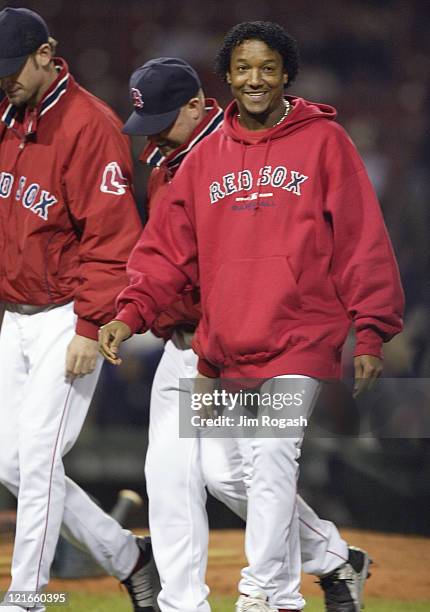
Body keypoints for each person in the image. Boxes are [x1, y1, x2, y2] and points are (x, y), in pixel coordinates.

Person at [100, 21, 404, 612]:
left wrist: (371, 329)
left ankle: (268, 597)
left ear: (287, 72)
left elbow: (363, 237)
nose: (255, 78)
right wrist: (131, 311)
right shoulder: (206, 156)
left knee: (270, 452)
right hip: (225, 348)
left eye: (267, 67)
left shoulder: (325, 143)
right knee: (223, 476)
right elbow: (165, 251)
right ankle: (337, 559)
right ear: (228, 76)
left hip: (299, 342)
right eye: (243, 68)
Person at [0, 7, 156, 611]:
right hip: (13, 316)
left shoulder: (91, 125)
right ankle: (128, 557)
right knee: (12, 464)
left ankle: (26, 597)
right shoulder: (10, 115)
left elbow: (114, 240)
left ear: (47, 52)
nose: (6, 78)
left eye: (14, 66)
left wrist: (91, 325)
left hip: (68, 315)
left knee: (38, 454)